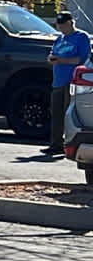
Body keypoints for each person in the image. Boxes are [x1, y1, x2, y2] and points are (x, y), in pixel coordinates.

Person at [46, 11, 91, 156]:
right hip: (58, 80)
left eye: (64, 25)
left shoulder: (81, 37)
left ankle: (69, 143)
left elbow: (81, 59)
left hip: (72, 81)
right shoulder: (59, 39)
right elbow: (52, 55)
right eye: (59, 25)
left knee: (68, 114)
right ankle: (55, 143)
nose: (61, 28)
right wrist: (52, 59)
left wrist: (61, 61)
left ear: (71, 23)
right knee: (56, 113)